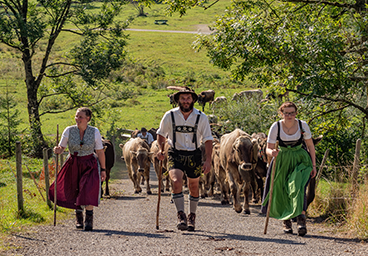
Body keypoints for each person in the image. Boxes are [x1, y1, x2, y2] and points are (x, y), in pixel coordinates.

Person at [157, 88, 213, 231]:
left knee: (194, 186)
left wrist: (208, 161)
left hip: (194, 153)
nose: (186, 101)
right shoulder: (170, 115)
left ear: (193, 100)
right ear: (178, 100)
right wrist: (160, 149)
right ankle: (181, 215)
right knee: (176, 181)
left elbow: (207, 140)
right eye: (183, 98)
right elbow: (161, 134)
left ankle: (191, 216)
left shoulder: (201, 117)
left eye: (188, 98)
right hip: (175, 152)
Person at [261, 101, 317, 236]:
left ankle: (301, 219)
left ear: (296, 113)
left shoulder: (302, 126)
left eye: (292, 113)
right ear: (282, 114)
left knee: (298, 187)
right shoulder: (276, 127)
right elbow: (268, 148)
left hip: (300, 160)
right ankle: (286, 220)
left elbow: (310, 146)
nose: (289, 116)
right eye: (287, 113)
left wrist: (314, 165)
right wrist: (271, 153)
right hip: (282, 159)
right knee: (282, 188)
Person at [50, 107, 106, 231]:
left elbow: (100, 151)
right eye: (76, 116)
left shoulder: (94, 131)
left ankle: (89, 220)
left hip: (89, 163)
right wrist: (58, 150)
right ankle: (79, 218)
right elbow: (62, 147)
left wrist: (103, 169)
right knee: (75, 189)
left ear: (88, 119)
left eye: (80, 117)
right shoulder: (69, 130)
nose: (77, 119)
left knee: (89, 189)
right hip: (73, 163)